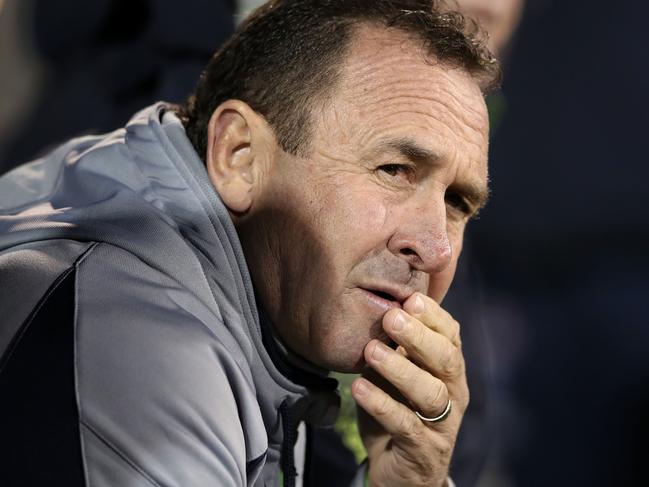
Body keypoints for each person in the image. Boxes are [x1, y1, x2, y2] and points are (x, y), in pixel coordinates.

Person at [0, 1, 499, 486]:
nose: (437, 249)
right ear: (240, 157)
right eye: (393, 170)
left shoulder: (265, 308)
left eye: (457, 202)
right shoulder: (134, 328)